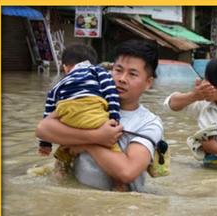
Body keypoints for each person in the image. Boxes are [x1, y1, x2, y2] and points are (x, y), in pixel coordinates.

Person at [35, 39, 163, 191]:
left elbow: (127, 172)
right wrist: (96, 136)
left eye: (132, 74)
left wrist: (86, 143)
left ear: (148, 82)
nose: (122, 79)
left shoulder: (149, 123)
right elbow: (43, 129)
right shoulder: (88, 101)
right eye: (118, 70)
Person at [37, 44, 121, 174]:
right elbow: (110, 93)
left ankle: (61, 170)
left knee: (65, 143)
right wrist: (114, 118)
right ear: (94, 63)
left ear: (65, 67)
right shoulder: (98, 71)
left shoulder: (59, 84)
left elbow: (48, 110)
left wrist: (45, 144)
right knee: (114, 149)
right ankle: (119, 184)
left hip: (68, 117)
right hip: (93, 115)